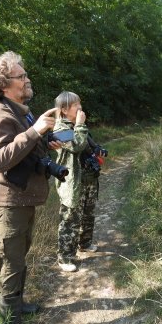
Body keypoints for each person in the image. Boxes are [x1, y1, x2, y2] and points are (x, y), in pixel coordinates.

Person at [0, 51, 62, 324]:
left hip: (24, 198)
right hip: (9, 201)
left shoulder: (20, 109)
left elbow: (23, 148)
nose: (27, 79)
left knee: (20, 254)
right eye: (21, 76)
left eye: (25, 74)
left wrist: (44, 142)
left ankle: (18, 305)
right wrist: (35, 130)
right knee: (11, 262)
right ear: (3, 84)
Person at [53, 91, 107, 272]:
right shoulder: (60, 129)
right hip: (73, 182)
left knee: (87, 214)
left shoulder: (78, 125)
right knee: (70, 219)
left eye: (80, 104)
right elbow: (76, 146)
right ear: (64, 109)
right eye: (76, 105)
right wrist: (80, 125)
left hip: (89, 178)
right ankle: (65, 257)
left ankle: (84, 244)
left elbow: (87, 145)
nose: (80, 108)